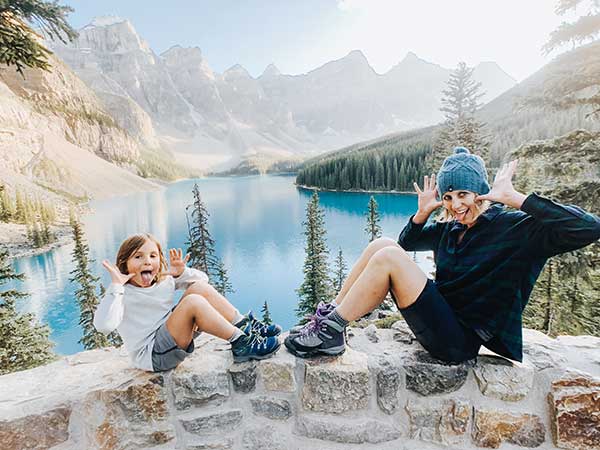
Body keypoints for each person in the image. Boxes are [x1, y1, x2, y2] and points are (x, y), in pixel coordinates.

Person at [285, 147, 600, 363]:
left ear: (480, 192)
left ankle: (331, 330)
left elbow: (588, 227)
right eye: (448, 197)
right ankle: (328, 320)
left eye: (462, 194)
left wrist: (516, 198)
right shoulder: (451, 228)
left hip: (459, 341)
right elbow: (407, 242)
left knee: (388, 258)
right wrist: (423, 213)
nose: (454, 204)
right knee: (381, 244)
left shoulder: (512, 228)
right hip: (441, 319)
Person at [94, 233, 281, 372]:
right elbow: (104, 326)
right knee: (192, 302)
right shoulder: (122, 293)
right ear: (124, 263)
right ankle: (241, 343)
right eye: (138, 256)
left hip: (171, 338)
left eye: (153, 255)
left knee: (197, 289)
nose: (147, 262)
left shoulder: (163, 280)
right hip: (153, 356)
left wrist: (181, 273)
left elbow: (203, 281)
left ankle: (245, 326)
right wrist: (116, 287)